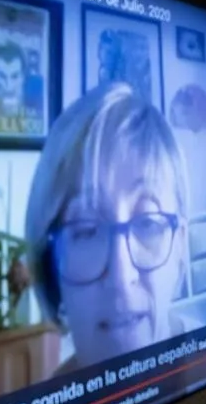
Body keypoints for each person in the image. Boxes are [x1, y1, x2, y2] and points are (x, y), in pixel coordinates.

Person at [25, 82, 189, 372]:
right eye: (87, 229)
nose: (121, 277)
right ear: (51, 268)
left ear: (180, 247)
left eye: (148, 223)